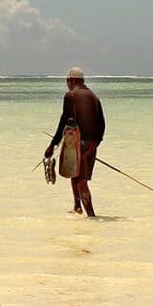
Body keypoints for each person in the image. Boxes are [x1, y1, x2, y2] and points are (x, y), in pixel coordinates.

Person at [44, 67, 105, 216]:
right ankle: (77, 207)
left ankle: (91, 215)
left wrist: (52, 145)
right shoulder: (94, 97)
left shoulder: (70, 96)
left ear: (71, 80)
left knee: (81, 180)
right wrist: (94, 144)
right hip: (91, 143)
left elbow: (64, 122)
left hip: (80, 143)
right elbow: (102, 124)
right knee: (75, 174)